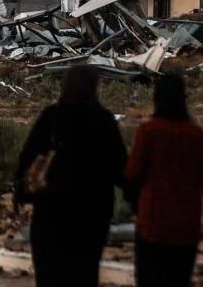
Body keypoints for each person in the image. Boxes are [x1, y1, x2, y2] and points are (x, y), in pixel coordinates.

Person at [14, 65, 126, 287]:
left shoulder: (52, 117)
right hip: (90, 218)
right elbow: (120, 169)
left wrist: (22, 191)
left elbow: (27, 160)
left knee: (49, 277)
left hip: (50, 215)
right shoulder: (102, 121)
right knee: (84, 275)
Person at [125, 73, 203, 287]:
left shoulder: (148, 131)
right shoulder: (195, 134)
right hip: (186, 225)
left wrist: (135, 205)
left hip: (152, 222)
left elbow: (132, 174)